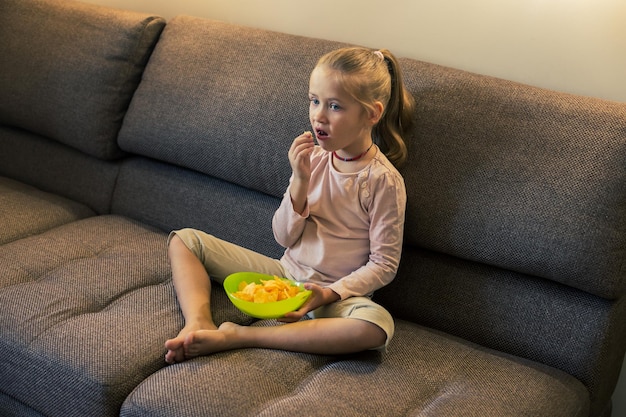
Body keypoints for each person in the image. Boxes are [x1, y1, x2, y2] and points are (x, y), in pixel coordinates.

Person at [164, 47, 415, 364]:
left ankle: (241, 336)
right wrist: (299, 179)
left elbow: (384, 265)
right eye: (314, 101)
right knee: (185, 240)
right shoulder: (313, 159)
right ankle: (198, 322)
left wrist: (328, 294)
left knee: (375, 327)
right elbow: (282, 238)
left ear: (372, 114)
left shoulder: (383, 182)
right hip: (284, 276)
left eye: (335, 106)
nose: (318, 116)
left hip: (330, 296)